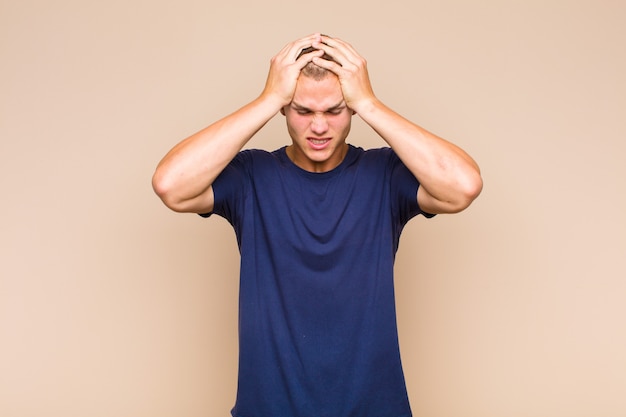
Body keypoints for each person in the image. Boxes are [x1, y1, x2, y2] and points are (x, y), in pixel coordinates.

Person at [152, 33, 482, 417]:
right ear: (285, 111)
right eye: (303, 111)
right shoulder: (252, 176)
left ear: (353, 109)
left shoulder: (385, 174)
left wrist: (369, 102)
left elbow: (463, 186)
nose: (319, 127)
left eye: (335, 110)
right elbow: (170, 185)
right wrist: (268, 98)